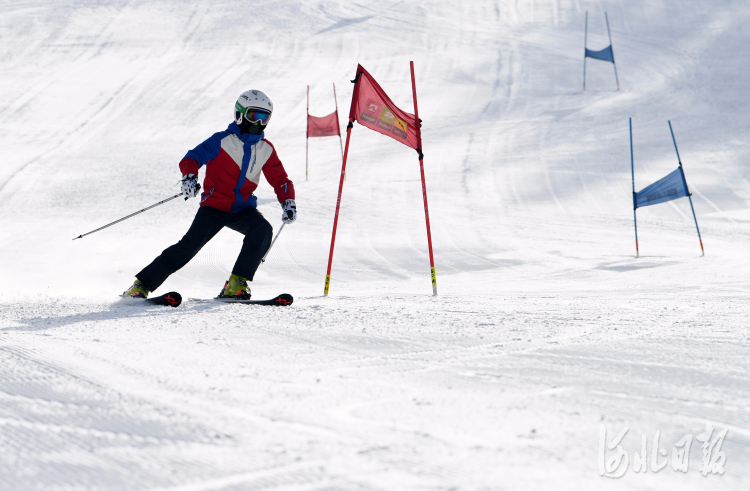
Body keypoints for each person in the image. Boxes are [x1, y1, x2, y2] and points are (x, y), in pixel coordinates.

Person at [122, 90, 296, 300]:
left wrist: (288, 201)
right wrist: (189, 177)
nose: (258, 123)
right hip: (214, 207)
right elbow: (192, 158)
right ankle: (140, 286)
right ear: (240, 114)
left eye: (264, 117)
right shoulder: (221, 140)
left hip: (243, 209)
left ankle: (236, 283)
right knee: (187, 248)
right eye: (254, 115)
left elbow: (280, 179)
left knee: (262, 230)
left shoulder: (266, 149)